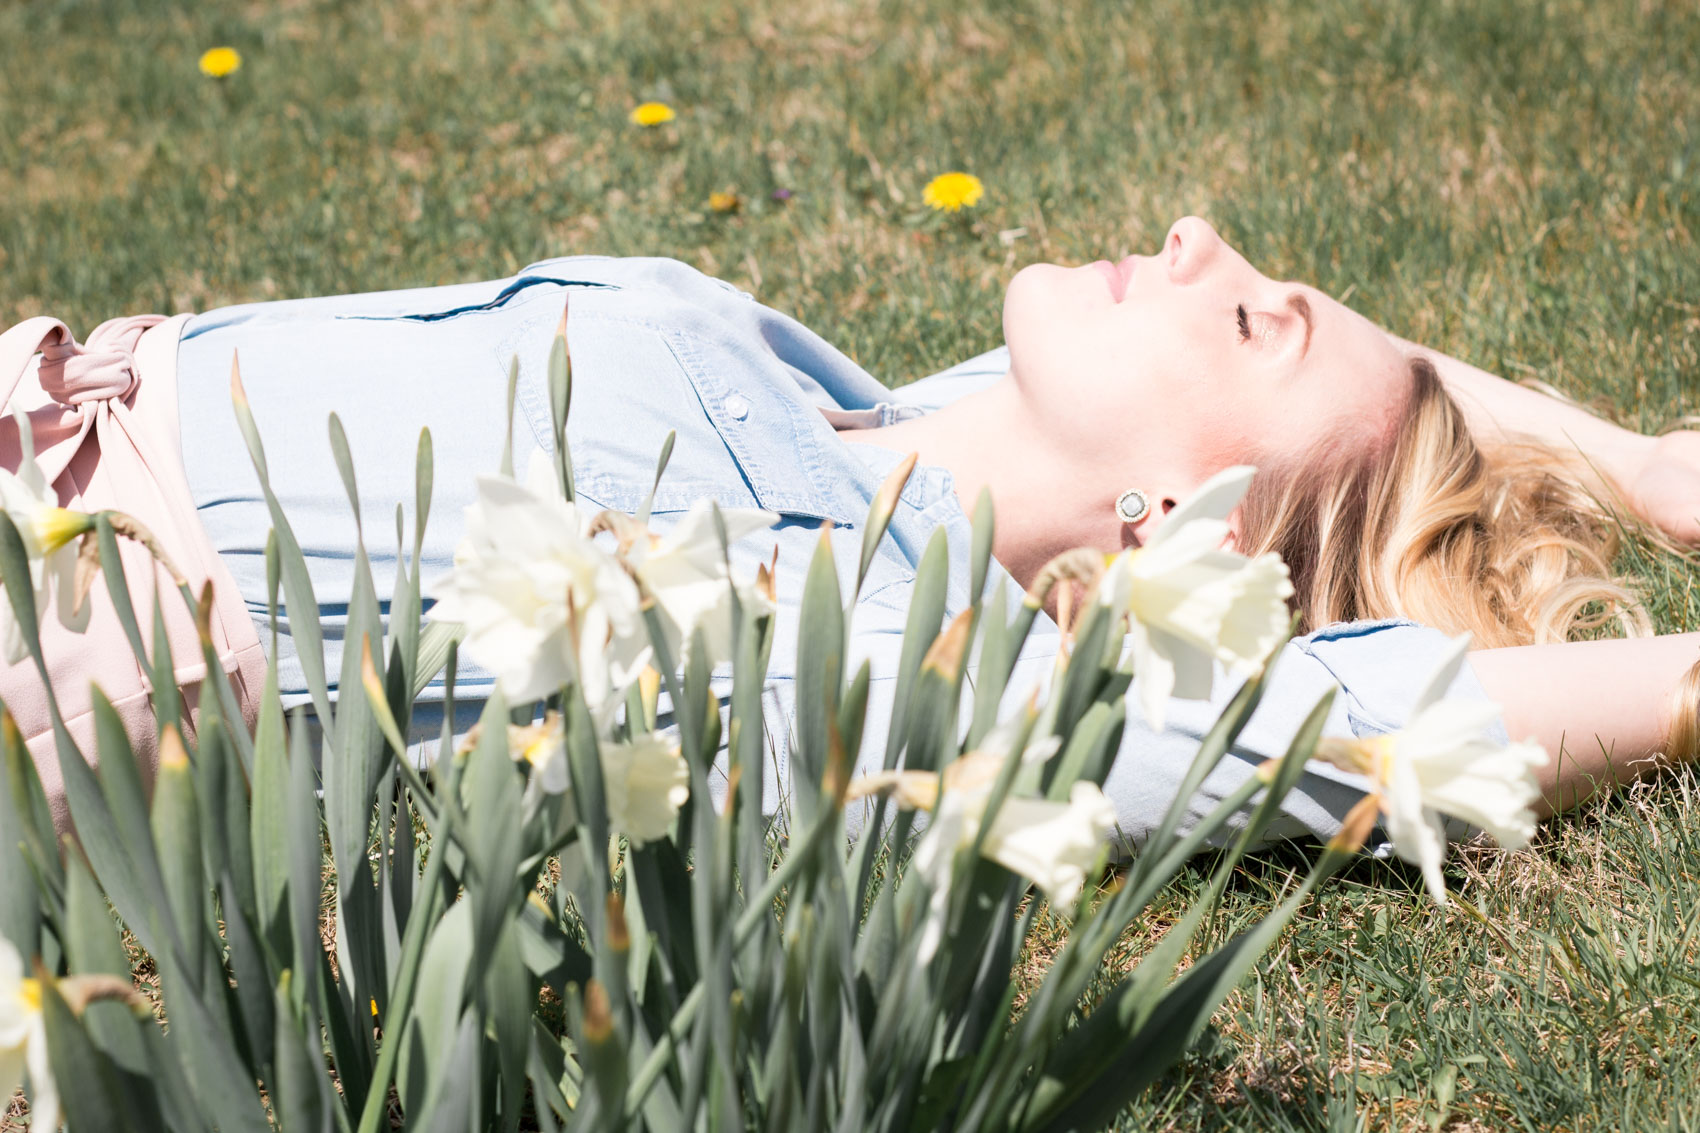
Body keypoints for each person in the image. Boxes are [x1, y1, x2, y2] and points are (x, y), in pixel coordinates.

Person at [4, 217, 1697, 847]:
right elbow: (1392, 389)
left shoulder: (894, 655)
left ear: (1179, 521)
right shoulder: (894, 420)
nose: (1197, 236)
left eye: (1253, 317)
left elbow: (1372, 726)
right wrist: (1637, 464)